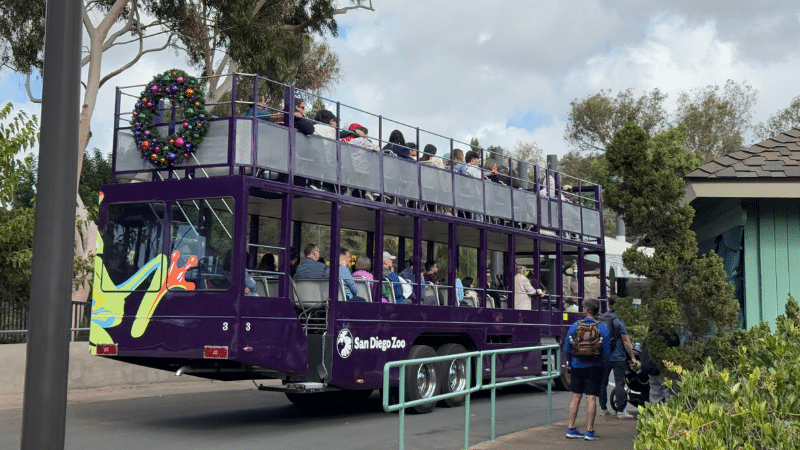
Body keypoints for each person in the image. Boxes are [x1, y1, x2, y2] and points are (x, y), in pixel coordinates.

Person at [564, 298, 611, 441]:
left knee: (576, 397)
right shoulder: (602, 328)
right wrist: (604, 367)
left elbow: (567, 347)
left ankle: (571, 428)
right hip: (594, 366)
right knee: (591, 398)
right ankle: (589, 431)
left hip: (577, 365)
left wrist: (571, 361)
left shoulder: (575, 325)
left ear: (585, 310)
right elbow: (606, 351)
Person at [597, 295, 638, 419]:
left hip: (603, 356)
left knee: (602, 383)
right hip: (618, 356)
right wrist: (632, 357)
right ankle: (620, 411)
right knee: (619, 383)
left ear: (609, 304)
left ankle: (603, 409)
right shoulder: (619, 321)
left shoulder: (601, 318)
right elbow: (626, 341)